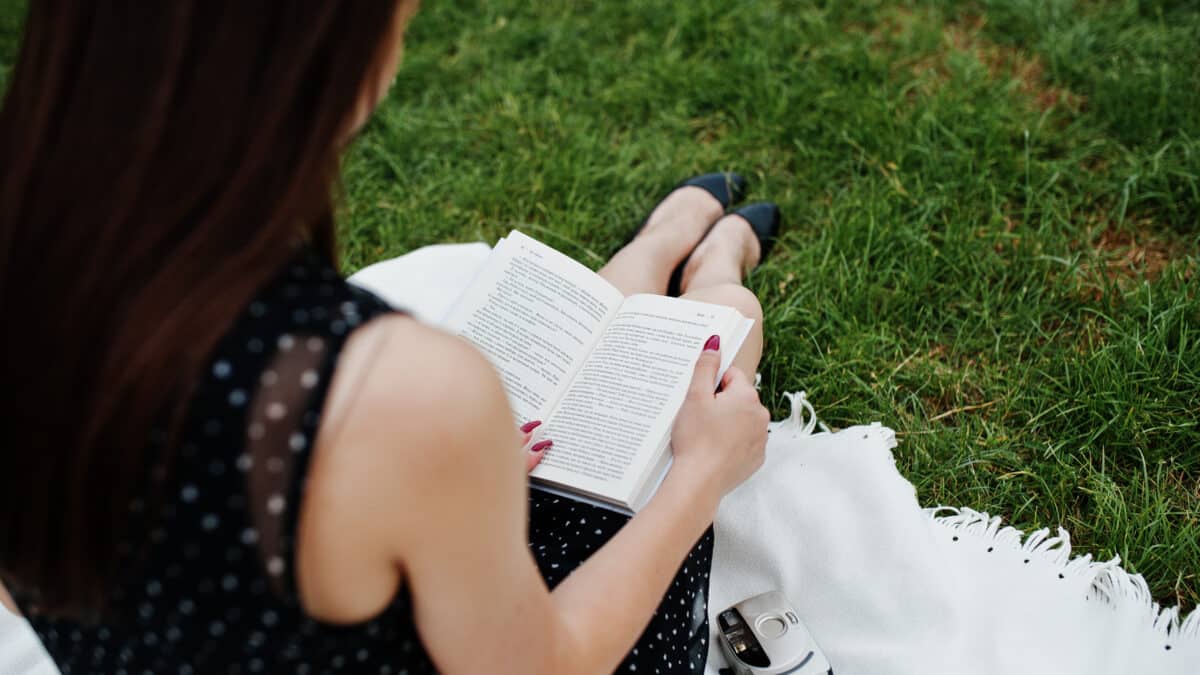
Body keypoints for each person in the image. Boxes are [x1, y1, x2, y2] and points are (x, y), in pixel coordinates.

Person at [0, 2, 777, 673]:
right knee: (721, 349)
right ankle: (715, 259)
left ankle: (659, 241)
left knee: (583, 346)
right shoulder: (387, 394)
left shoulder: (39, 272)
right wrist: (701, 478)